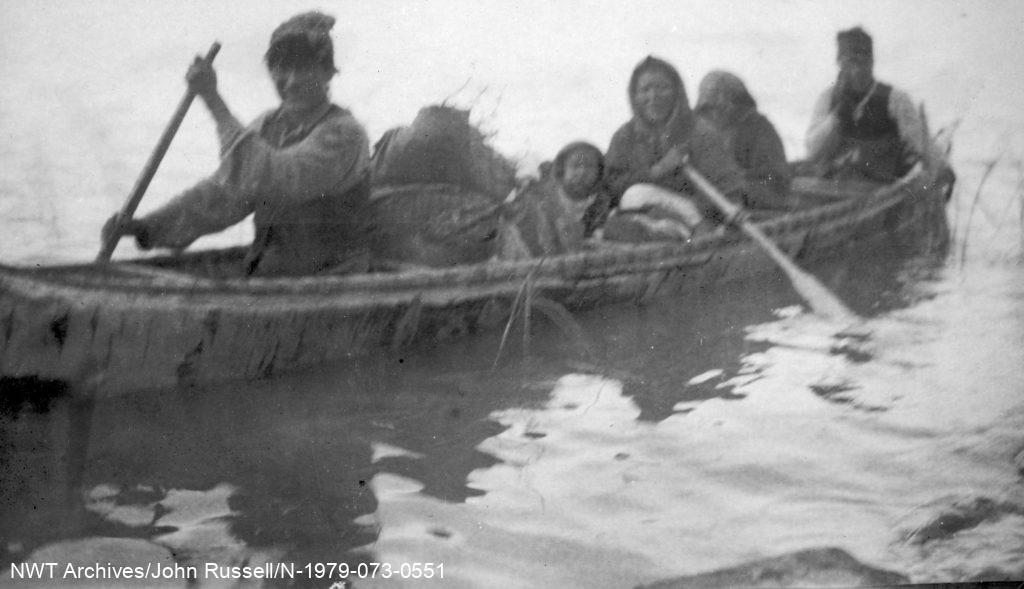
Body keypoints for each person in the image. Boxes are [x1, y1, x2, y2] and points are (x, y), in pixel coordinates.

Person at [102, 11, 374, 276]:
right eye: (281, 68)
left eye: (303, 68)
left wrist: (213, 100)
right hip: (270, 272)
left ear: (327, 73)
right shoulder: (267, 125)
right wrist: (146, 228)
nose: (290, 81)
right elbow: (223, 194)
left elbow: (277, 176)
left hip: (332, 277)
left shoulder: (345, 134)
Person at [603, 56, 755, 242]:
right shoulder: (624, 137)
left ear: (677, 92)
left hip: (699, 216)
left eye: (662, 88)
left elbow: (726, 179)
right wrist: (657, 171)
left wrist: (734, 207)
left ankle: (697, 234)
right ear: (634, 96)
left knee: (637, 195)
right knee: (634, 196)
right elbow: (611, 185)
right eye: (645, 90)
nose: (653, 97)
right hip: (641, 216)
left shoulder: (700, 131)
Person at [805, 26, 926, 183]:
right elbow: (812, 150)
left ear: (872, 62)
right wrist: (835, 119)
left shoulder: (896, 99)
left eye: (865, 60)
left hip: (882, 189)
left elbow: (915, 149)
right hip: (833, 187)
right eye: (852, 61)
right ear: (839, 62)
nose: (858, 69)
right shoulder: (828, 99)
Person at [695, 70, 793, 206]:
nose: (721, 107)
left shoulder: (759, 127)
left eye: (730, 101)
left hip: (756, 199)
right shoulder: (696, 128)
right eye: (711, 106)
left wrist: (734, 179)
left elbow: (776, 179)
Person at [511, 141, 609, 256]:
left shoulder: (604, 203)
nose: (582, 172)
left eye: (590, 166)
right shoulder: (537, 202)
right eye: (575, 165)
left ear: (599, 172)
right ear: (562, 169)